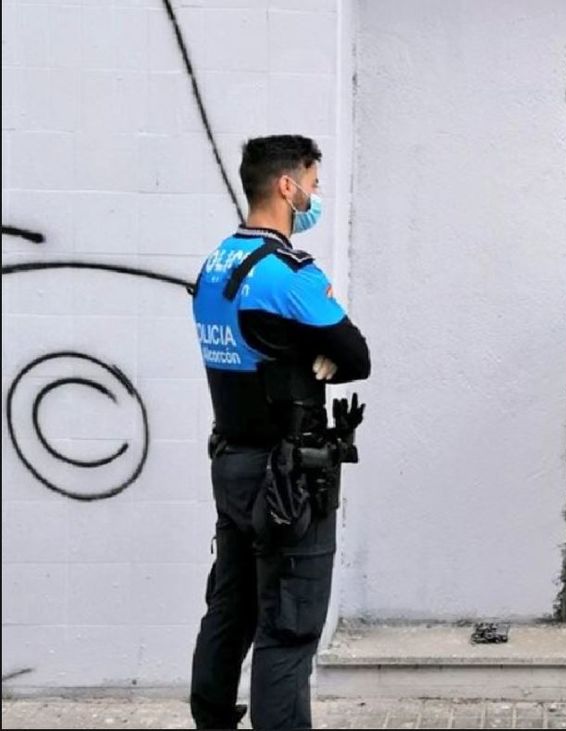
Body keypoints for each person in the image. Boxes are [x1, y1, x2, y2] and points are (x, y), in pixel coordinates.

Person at [189, 135, 371, 730]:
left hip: (232, 464)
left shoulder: (216, 265)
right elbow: (356, 355)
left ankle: (212, 720)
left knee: (231, 605)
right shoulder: (287, 274)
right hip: (289, 478)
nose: (315, 198)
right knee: (288, 627)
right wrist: (324, 356)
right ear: (287, 187)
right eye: (313, 185)